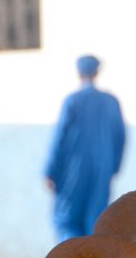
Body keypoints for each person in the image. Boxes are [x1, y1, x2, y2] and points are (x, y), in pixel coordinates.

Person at [44, 54, 127, 242]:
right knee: (96, 219)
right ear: (97, 72)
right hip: (102, 168)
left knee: (67, 219)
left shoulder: (72, 101)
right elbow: (120, 137)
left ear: (78, 72)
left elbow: (59, 138)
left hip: (74, 169)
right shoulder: (111, 101)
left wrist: (49, 171)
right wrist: (113, 167)